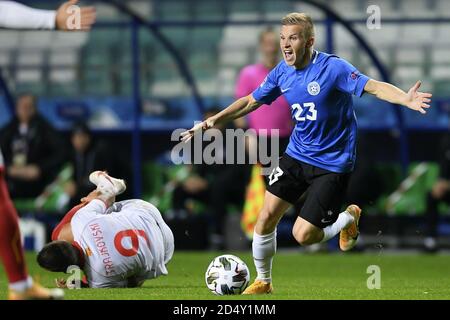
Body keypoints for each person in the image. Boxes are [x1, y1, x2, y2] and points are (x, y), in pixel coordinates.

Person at [181, 12, 432, 294]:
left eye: (294, 38)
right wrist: (216, 120)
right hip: (297, 155)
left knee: (304, 235)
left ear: (309, 41)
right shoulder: (281, 72)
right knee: (265, 218)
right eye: (283, 38)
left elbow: (373, 87)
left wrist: (405, 98)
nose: (286, 45)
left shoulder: (333, 68)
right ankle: (264, 281)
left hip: (332, 164)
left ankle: (348, 217)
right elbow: (251, 101)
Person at [0, 0, 95, 299]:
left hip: (37, 182)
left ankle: (20, 286)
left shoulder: (45, 131)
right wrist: (50, 19)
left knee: (2, 202)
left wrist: (51, 19)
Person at [37, 171, 174, 288]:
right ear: (62, 243)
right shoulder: (80, 223)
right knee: (61, 231)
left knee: (131, 274)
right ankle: (103, 187)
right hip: (146, 212)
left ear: (66, 269)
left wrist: (83, 285)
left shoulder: (98, 281)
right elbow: (108, 200)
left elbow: (132, 284)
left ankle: (99, 195)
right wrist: (89, 201)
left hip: (164, 250)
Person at [172, 108, 251, 249]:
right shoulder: (204, 143)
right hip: (212, 187)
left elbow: (237, 171)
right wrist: (195, 180)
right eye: (207, 122)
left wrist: (208, 182)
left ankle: (217, 235)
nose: (210, 125)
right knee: (180, 190)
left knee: (219, 188)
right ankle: (180, 233)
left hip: (234, 190)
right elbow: (201, 170)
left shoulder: (235, 139)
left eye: (213, 121)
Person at [235, 27, 293, 158]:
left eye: (274, 44)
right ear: (261, 46)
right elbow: (239, 108)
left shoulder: (290, 73)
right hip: (257, 138)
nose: (271, 48)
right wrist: (245, 134)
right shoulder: (248, 74)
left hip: (286, 137)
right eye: (267, 44)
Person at [0, 93, 66, 198]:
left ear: (34, 109)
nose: (25, 110)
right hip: (11, 180)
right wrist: (9, 168)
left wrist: (40, 168)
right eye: (22, 106)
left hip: (38, 182)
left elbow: (60, 153)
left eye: (28, 106)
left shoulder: (45, 129)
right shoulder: (9, 130)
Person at [423, 133, 450, 252]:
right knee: (432, 196)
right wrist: (442, 181)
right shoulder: (446, 140)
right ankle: (431, 240)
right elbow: (444, 165)